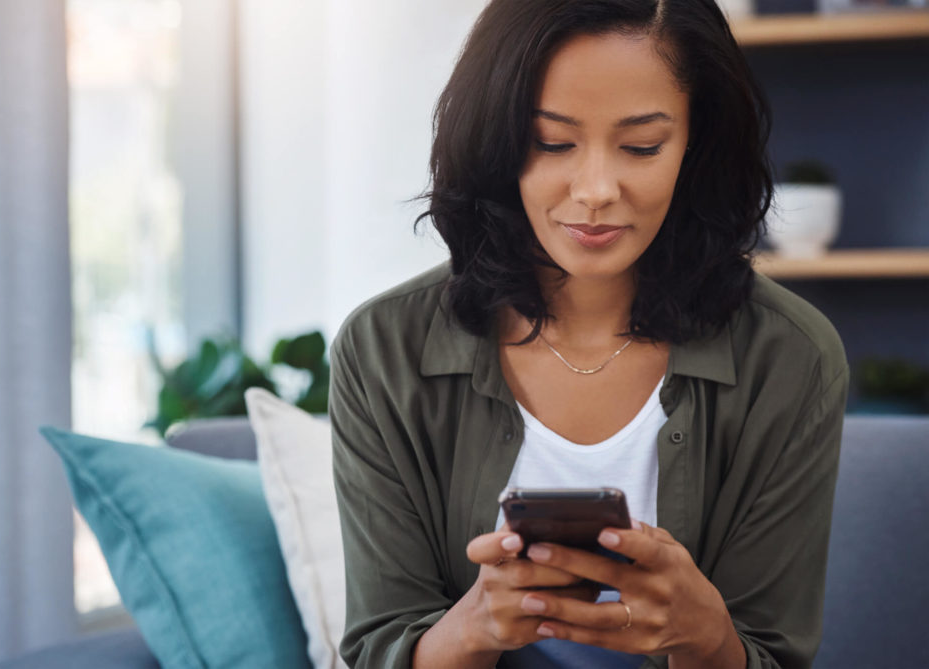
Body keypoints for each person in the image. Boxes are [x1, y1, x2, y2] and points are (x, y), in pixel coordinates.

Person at [328, 0, 848, 667]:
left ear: (696, 144)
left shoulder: (791, 359)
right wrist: (476, 624)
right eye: (551, 142)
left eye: (641, 146)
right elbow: (378, 646)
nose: (597, 188)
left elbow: (773, 653)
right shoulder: (382, 352)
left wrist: (708, 635)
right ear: (495, 141)